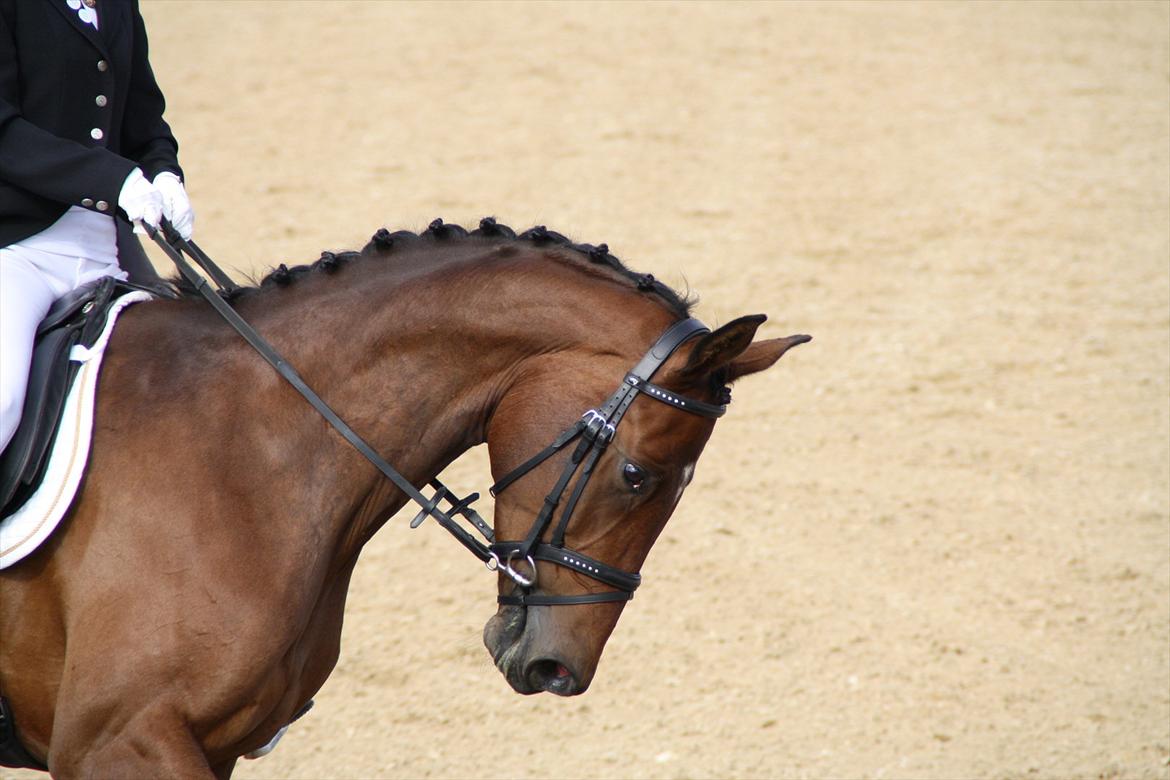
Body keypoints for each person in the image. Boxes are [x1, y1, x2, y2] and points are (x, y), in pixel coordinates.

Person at [0, 0, 193, 453]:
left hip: (107, 247)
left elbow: (143, 120)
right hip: (16, 247)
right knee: (3, 398)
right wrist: (113, 180)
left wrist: (164, 172)